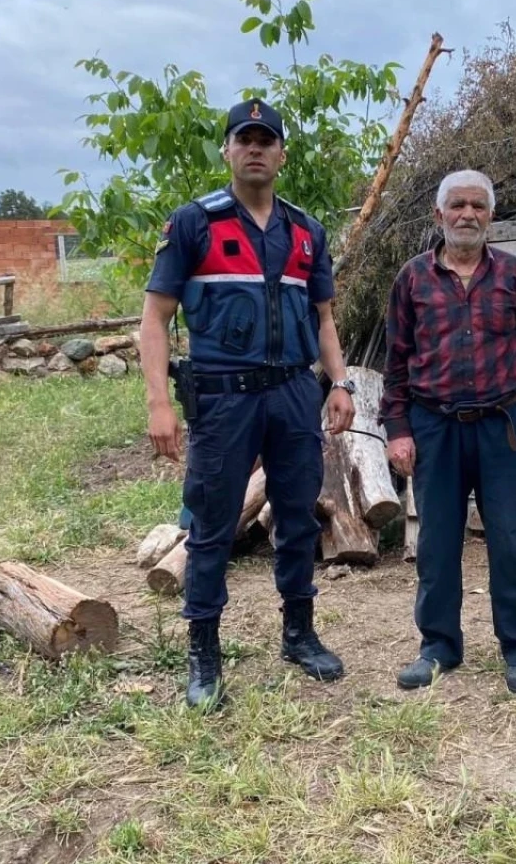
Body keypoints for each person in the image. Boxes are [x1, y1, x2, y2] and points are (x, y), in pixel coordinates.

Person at [140, 97, 356, 710]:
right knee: (210, 529)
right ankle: (203, 652)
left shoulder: (306, 232)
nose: (256, 148)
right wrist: (160, 403)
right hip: (223, 400)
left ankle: (299, 634)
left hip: (292, 395)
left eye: (267, 139)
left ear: (282, 154)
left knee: (295, 520)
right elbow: (155, 319)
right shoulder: (194, 224)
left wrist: (339, 383)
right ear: (228, 150)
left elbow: (324, 319)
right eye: (245, 138)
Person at [380, 170, 516, 696]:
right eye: (457, 205)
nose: (467, 215)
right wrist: (397, 429)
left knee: (509, 540)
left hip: (504, 426)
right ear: (439, 215)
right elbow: (397, 363)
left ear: (491, 216)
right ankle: (438, 646)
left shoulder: (515, 277)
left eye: (478, 206)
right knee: (436, 543)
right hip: (433, 425)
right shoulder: (412, 279)